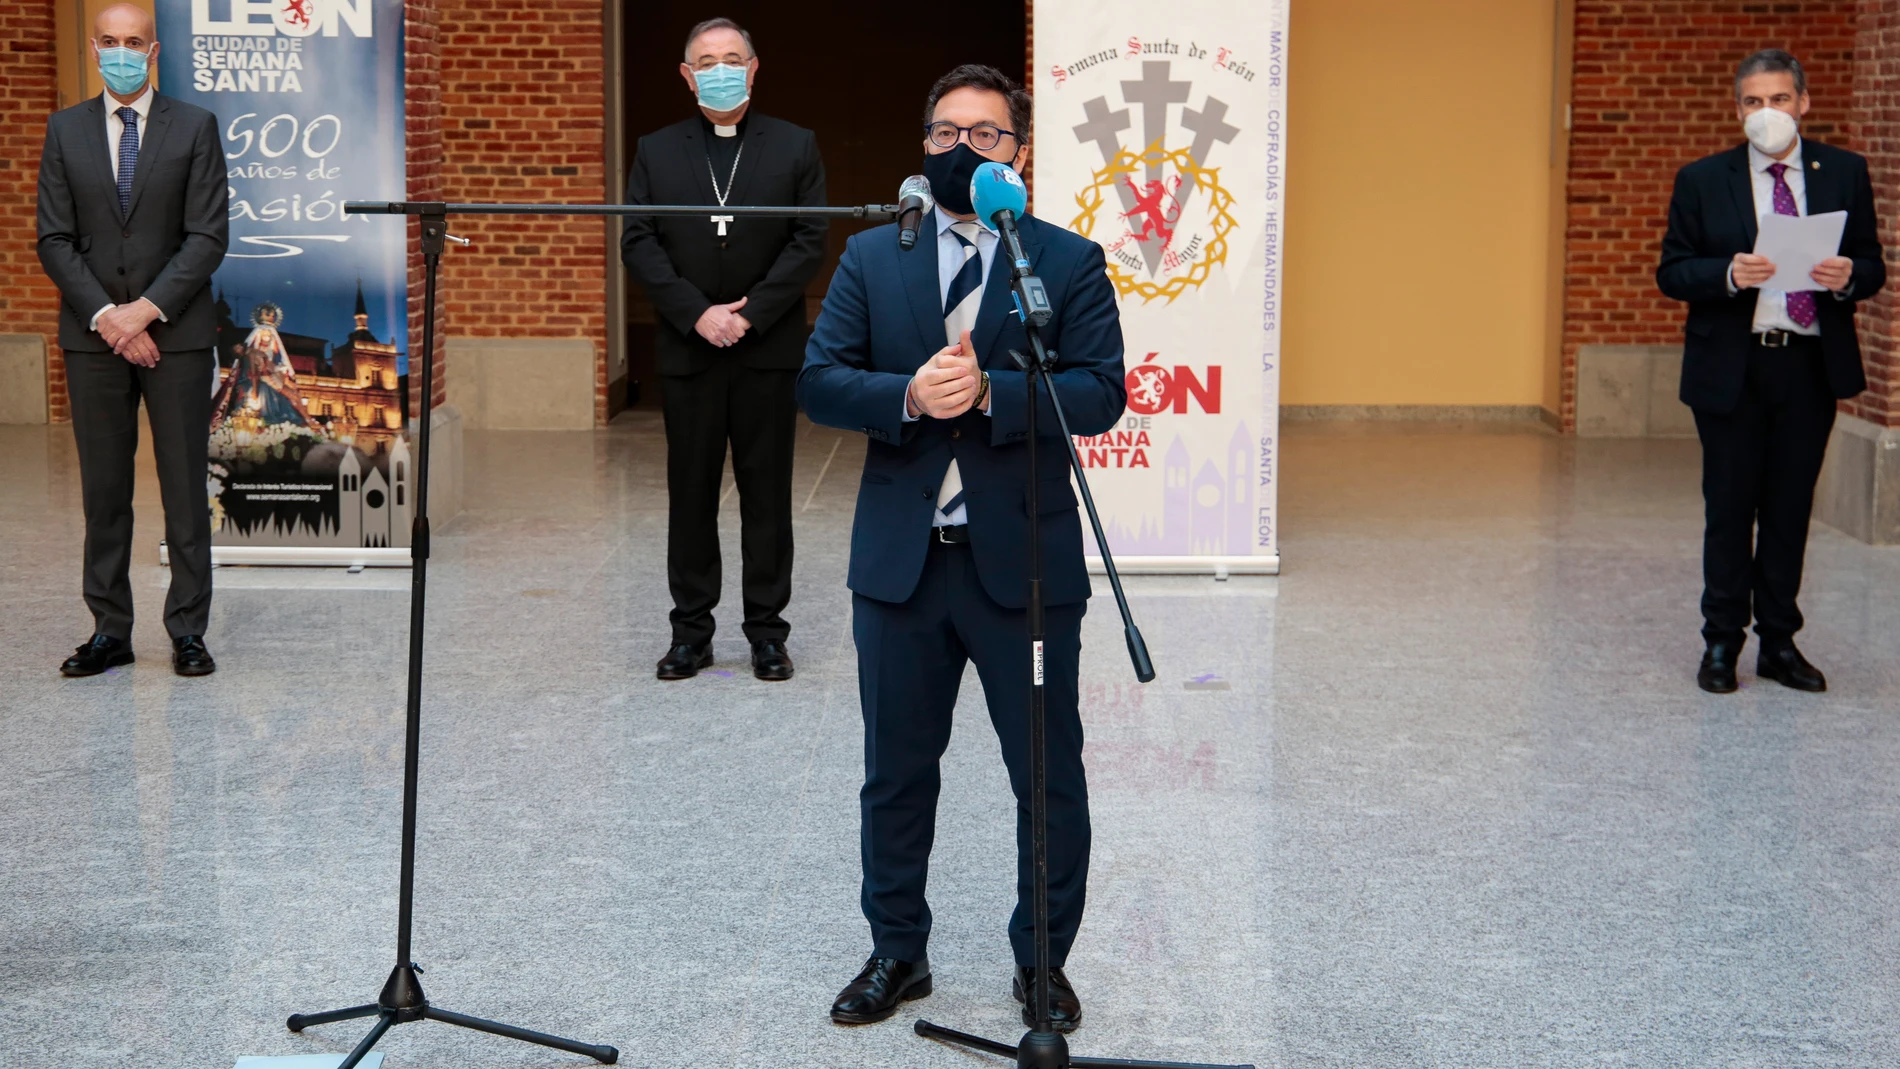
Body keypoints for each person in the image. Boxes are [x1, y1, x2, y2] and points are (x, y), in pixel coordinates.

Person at [797, 64, 1127, 1031]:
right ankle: (897, 950)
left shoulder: (1065, 262)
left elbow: (1102, 393)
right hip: (902, 565)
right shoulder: (871, 256)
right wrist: (905, 395)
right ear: (924, 145)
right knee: (896, 771)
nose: (963, 148)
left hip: (1021, 565)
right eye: (946, 132)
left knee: (1046, 774)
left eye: (986, 134)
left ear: (1018, 154)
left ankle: (1041, 962)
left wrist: (992, 395)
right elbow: (821, 382)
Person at [1657, 50, 1885, 696]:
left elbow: (1871, 263)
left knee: (1789, 508)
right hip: (1733, 367)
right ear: (1737, 111)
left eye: (1779, 99)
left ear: (1804, 103)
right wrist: (1728, 273)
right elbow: (1672, 271)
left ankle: (1779, 642)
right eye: (1753, 102)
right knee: (1730, 507)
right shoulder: (1703, 179)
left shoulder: (1843, 172)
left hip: (1810, 365)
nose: (1767, 113)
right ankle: (1722, 641)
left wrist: (1849, 277)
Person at [621, 17, 827, 682]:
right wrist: (696, 314)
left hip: (765, 350)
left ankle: (767, 632)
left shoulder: (796, 146)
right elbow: (638, 240)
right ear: (686, 74)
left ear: (754, 67)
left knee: (768, 496)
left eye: (731, 57)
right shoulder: (657, 149)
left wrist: (750, 315)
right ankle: (691, 632)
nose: (719, 68)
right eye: (706, 59)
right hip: (690, 349)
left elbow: (809, 240)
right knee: (691, 494)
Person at [36, 3, 228, 678]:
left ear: (153, 53)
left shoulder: (195, 127)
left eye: (135, 43)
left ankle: (188, 632)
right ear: (94, 49)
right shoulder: (64, 130)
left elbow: (206, 237)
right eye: (111, 41)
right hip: (93, 342)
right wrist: (108, 319)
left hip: (175, 337)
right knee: (104, 492)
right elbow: (54, 239)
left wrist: (143, 312)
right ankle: (109, 630)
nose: (122, 52)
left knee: (182, 490)